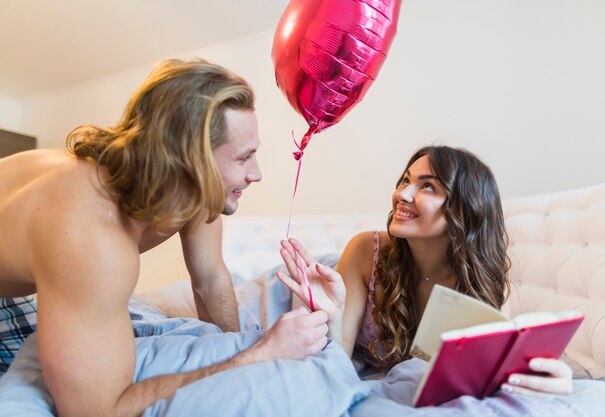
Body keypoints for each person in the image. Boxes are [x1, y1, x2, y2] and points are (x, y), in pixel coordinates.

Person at [0, 58, 329, 416]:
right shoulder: (92, 237)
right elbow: (96, 410)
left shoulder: (186, 190)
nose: (257, 173)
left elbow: (210, 278)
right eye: (243, 157)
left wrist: (238, 348)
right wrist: (256, 356)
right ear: (192, 161)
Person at [278, 145, 573, 397]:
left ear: (464, 209)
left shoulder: (481, 282)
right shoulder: (366, 250)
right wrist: (332, 313)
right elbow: (335, 360)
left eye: (428, 186)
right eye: (405, 180)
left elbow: (485, 375)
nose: (403, 194)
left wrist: (542, 379)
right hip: (307, 285)